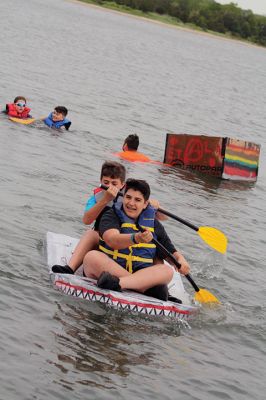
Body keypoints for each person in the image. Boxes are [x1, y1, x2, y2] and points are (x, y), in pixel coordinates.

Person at [82, 179, 190, 301]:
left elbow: (171, 252)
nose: (131, 203)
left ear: (145, 204)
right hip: (111, 269)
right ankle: (142, 287)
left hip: (122, 277)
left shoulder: (154, 224)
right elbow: (112, 240)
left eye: (137, 200)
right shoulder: (111, 215)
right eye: (128, 197)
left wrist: (182, 260)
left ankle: (120, 283)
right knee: (91, 257)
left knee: (167, 271)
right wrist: (136, 238)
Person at [52, 161, 126, 274]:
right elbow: (86, 220)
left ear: (122, 185)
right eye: (106, 182)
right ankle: (70, 268)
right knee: (90, 233)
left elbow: (158, 217)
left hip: (122, 243)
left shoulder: (130, 199)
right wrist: (105, 200)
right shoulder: (96, 198)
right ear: (101, 181)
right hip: (101, 241)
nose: (110, 187)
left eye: (114, 184)